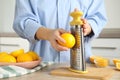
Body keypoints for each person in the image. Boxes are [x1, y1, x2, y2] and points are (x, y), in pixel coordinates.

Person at [13, 0, 107, 63]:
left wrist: (89, 26)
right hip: (42, 63)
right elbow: (22, 20)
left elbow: (98, 16)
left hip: (82, 63)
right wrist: (47, 34)